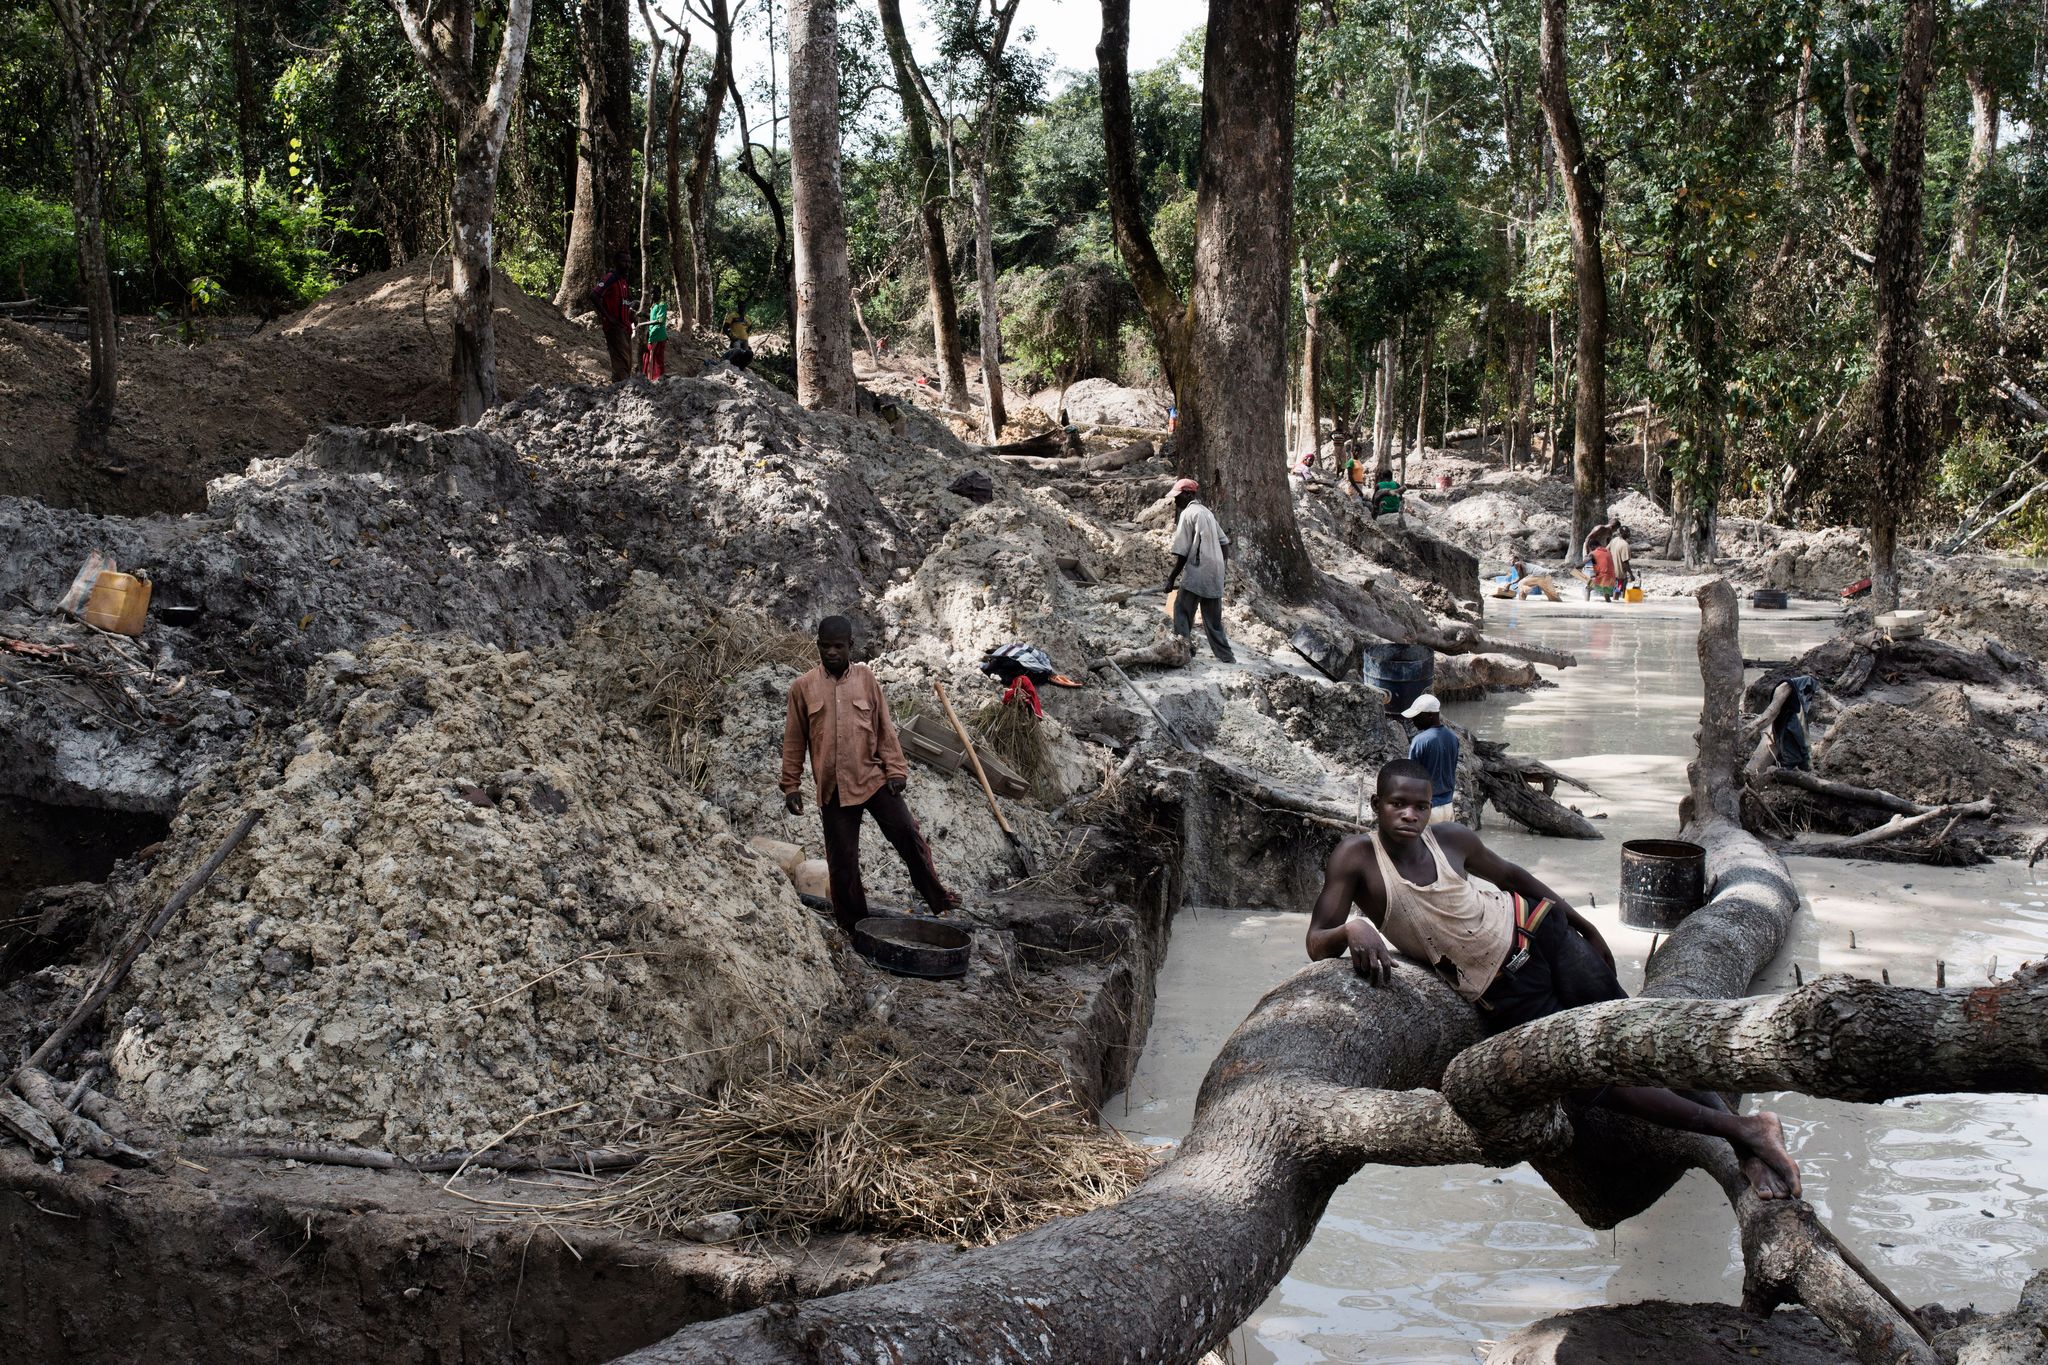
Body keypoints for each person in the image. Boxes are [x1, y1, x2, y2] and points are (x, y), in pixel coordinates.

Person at [1304, 760, 1803, 1202]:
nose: (1410, 815)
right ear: (1377, 805)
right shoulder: (1357, 857)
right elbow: (1315, 939)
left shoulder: (1452, 838)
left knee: (1637, 1041)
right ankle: (1742, 1130)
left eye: (1420, 805)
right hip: (1504, 987)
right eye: (1397, 805)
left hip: (1541, 932)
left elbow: (1515, 879)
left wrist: (1583, 926)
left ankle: (1746, 1135)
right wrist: (1353, 927)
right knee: (1594, 1082)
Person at [780, 616, 957, 931]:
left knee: (907, 834)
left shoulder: (866, 679)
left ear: (850, 646)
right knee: (842, 863)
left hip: (874, 780)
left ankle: (938, 898)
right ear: (817, 646)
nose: (831, 652)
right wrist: (791, 786)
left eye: (838, 646)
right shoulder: (803, 688)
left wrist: (896, 770)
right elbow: (794, 740)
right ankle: (855, 926)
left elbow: (884, 728)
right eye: (825, 646)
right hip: (833, 790)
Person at [1164, 478, 1236, 664]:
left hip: (1197, 570)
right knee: (1213, 621)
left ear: (1188, 494)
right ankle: (1226, 656)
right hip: (1215, 570)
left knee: (1182, 609)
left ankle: (1183, 648)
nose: (1176, 501)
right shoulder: (1207, 513)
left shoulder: (1189, 514)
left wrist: (1171, 579)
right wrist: (1220, 567)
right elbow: (1224, 543)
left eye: (1178, 497)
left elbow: (1182, 552)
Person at [1402, 694, 1459, 824]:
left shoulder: (1420, 741)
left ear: (1430, 715)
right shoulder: (1453, 738)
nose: (1413, 721)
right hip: (1448, 807)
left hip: (1428, 809)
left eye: (1417, 716)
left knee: (1422, 844)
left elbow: (1412, 778)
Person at [594, 254, 634, 382]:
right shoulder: (610, 278)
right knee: (622, 361)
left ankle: (617, 388)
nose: (627, 265)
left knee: (626, 361)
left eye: (629, 262)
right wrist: (608, 317)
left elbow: (625, 303)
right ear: (616, 262)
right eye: (624, 261)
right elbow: (594, 295)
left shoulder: (623, 282)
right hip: (615, 327)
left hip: (625, 327)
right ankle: (623, 388)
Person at [640, 296, 668, 380]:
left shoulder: (662, 304)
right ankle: (649, 378)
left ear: (659, 293)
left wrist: (643, 324)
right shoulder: (654, 305)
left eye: (654, 293)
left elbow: (660, 320)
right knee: (648, 357)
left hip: (658, 333)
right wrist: (644, 314)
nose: (652, 295)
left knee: (654, 357)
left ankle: (654, 379)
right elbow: (653, 317)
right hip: (652, 332)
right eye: (651, 293)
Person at [1608, 523, 1633, 598]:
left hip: (1611, 571)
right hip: (1619, 574)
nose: (1629, 534)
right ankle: (1618, 605)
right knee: (1618, 590)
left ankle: (1616, 604)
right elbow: (1625, 562)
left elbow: (1606, 550)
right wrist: (1631, 574)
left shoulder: (1614, 540)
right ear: (1623, 534)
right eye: (1628, 533)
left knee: (1616, 590)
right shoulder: (1625, 545)